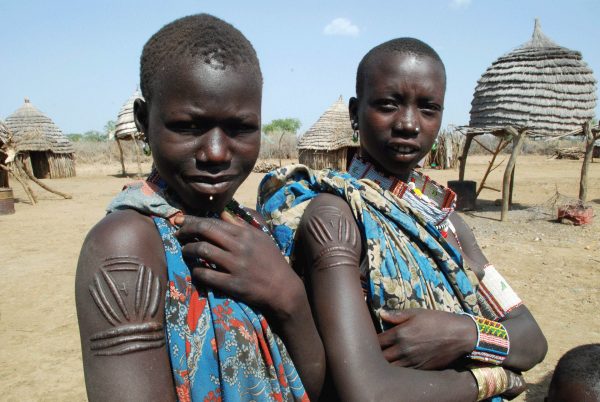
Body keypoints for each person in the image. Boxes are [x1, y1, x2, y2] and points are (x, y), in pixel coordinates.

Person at [258, 38, 547, 401]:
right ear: (354, 113)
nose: (409, 124)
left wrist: (462, 334)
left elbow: (532, 338)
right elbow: (368, 392)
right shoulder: (337, 217)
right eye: (388, 105)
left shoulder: (448, 224)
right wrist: (494, 380)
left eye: (428, 108)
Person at [75, 14, 324, 402]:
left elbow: (316, 386)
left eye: (241, 128)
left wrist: (288, 295)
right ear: (144, 120)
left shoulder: (254, 229)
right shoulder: (125, 245)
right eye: (189, 126)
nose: (216, 153)